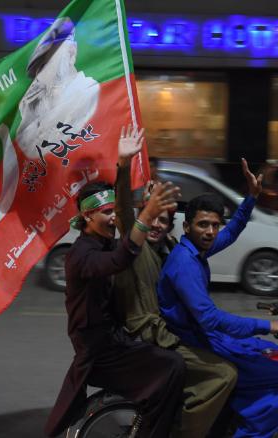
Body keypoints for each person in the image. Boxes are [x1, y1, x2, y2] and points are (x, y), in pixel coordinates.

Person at [44, 126, 185, 438]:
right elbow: (120, 260)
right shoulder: (80, 255)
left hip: (118, 340)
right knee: (173, 367)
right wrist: (144, 216)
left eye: (112, 212)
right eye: (105, 213)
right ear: (87, 218)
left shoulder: (106, 243)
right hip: (100, 353)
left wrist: (125, 164)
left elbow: (125, 232)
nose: (112, 218)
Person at [157, 159, 278, 438]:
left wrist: (252, 197)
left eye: (214, 225)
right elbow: (210, 318)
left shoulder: (196, 249)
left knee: (263, 351)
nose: (211, 232)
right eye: (203, 225)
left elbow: (232, 231)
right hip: (196, 341)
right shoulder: (185, 264)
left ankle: (232, 419)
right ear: (186, 227)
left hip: (205, 336)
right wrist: (268, 326)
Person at [112, 133, 237, 438]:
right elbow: (123, 213)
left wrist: (250, 204)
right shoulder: (136, 249)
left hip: (173, 332)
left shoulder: (167, 248)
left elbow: (217, 237)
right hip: (149, 338)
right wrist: (124, 165)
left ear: (171, 226)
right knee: (223, 374)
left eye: (164, 220)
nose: (156, 225)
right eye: (152, 218)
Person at [15, 17, 100, 160]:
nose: (39, 77)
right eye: (40, 67)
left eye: (47, 64)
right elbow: (26, 150)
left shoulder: (88, 91)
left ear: (72, 54)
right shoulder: (35, 102)